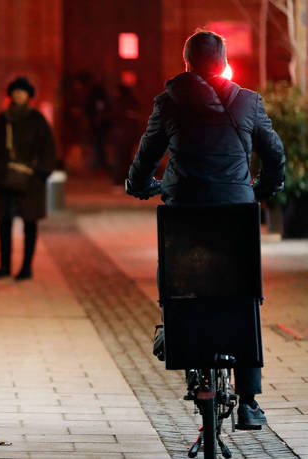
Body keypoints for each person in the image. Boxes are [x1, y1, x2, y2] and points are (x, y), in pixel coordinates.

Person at [126, 30, 285, 430]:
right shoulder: (248, 102)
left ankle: (175, 334)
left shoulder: (168, 102)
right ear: (224, 64)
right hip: (236, 214)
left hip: (186, 214)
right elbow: (274, 154)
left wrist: (139, 184)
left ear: (187, 64)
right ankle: (248, 402)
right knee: (246, 296)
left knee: (175, 281)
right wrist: (262, 190)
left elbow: (147, 155)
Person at [0, 76, 56, 281]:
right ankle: (4, 265)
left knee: (29, 223)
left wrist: (41, 172)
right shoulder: (2, 120)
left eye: (22, 92)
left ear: (28, 96)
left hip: (30, 181)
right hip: (4, 179)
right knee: (4, 223)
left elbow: (48, 149)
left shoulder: (37, 120)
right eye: (16, 92)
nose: (19, 95)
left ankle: (26, 267)